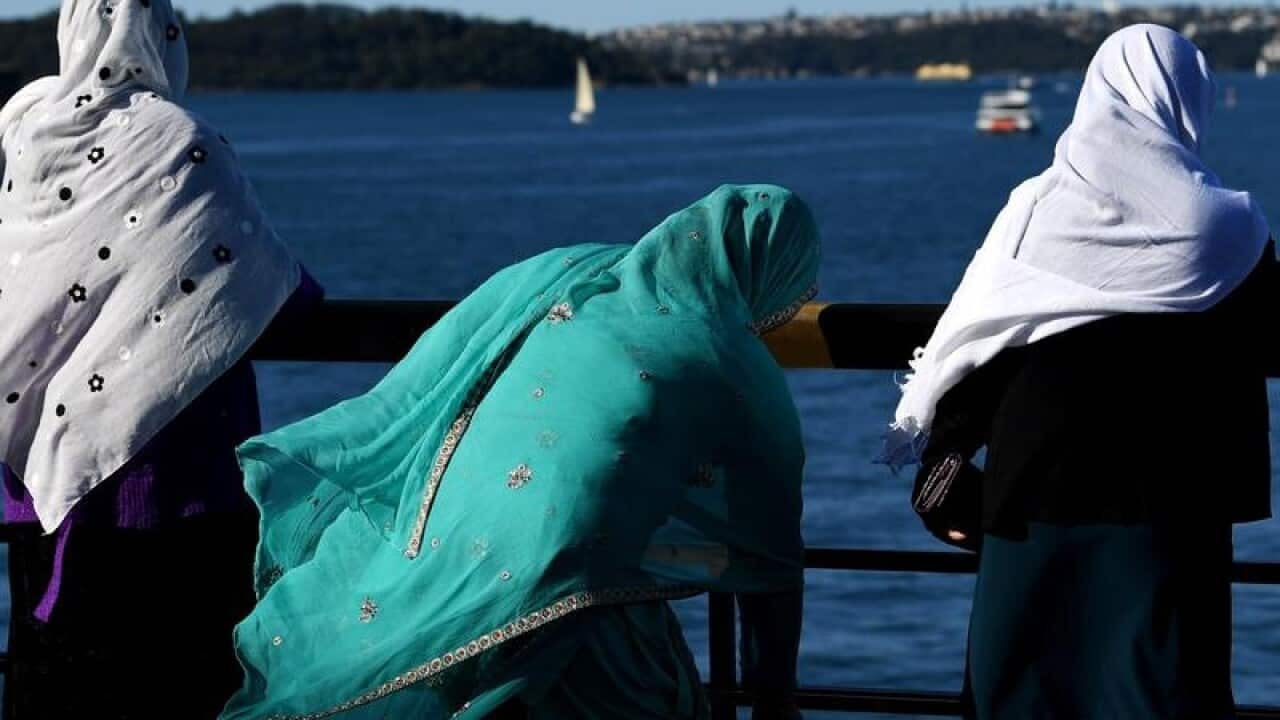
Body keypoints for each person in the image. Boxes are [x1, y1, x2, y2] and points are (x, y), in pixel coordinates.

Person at [221, 184, 819, 720]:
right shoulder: (734, 361)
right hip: (576, 569)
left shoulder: (564, 271)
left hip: (455, 518)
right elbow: (772, 554)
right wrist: (774, 699)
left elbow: (446, 351)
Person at [883, 25, 1273, 719]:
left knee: (1023, 690)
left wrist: (940, 464)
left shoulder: (1035, 212)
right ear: (1189, 98)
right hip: (1169, 507)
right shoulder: (1228, 230)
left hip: (1033, 496)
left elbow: (986, 338)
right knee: (1157, 690)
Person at [0, 0, 316, 716]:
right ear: (165, 36)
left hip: (39, 491)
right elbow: (264, 284)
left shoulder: (29, 138)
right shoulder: (180, 140)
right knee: (186, 688)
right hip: (177, 491)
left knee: (53, 689)